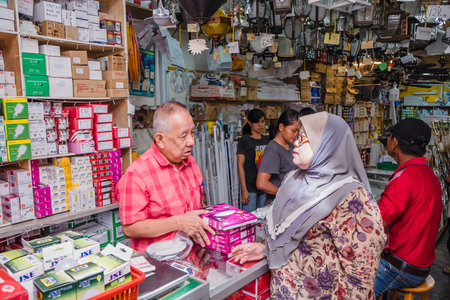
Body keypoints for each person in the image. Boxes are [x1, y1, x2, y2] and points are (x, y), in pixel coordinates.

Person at [230, 112, 386, 299]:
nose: (296, 142)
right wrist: (266, 249)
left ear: (327, 145)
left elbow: (360, 278)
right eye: (298, 136)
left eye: (305, 138)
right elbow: (294, 239)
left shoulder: (353, 199)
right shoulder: (294, 180)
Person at [116, 101, 214, 252]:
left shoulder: (190, 162)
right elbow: (130, 228)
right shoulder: (136, 175)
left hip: (192, 254)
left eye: (192, 133)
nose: (191, 141)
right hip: (157, 262)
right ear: (160, 139)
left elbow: (199, 203)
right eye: (183, 136)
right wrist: (179, 222)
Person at [375, 118, 442, 296]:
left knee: (349, 287)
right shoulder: (428, 174)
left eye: (389, 137)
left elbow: (375, 225)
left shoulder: (405, 178)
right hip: (421, 265)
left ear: (395, 142)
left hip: (402, 268)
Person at [256, 109, 300, 204]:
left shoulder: (291, 146)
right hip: (277, 204)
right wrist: (285, 193)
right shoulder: (273, 149)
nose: (296, 134)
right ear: (281, 127)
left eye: (298, 131)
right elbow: (261, 184)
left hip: (290, 202)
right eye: (293, 130)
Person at [237, 109, 269, 212]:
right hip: (250, 188)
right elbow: (240, 166)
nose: (260, 125)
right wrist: (244, 190)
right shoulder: (244, 141)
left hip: (264, 187)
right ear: (250, 123)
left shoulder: (266, 140)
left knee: (263, 221)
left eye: (262, 121)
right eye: (256, 122)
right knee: (250, 221)